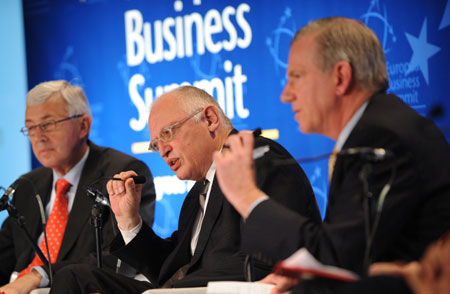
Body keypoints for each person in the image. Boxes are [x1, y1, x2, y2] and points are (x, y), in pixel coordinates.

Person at [213, 16, 450, 292]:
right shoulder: (376, 126)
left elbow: (342, 256)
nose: (286, 95)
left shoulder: (383, 136)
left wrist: (246, 196)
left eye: (296, 77)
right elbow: (356, 251)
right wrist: (309, 272)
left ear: (340, 77)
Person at [47, 85, 321, 293]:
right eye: (155, 144)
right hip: (186, 291)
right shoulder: (196, 196)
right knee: (73, 278)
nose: (162, 150)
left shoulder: (259, 159)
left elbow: (265, 261)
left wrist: (173, 289)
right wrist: (129, 222)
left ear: (210, 119)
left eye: (168, 133)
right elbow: (170, 268)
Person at [0, 80, 156, 294]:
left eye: (48, 123)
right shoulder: (28, 184)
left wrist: (40, 275)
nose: (39, 137)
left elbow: (120, 258)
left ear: (83, 125)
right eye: (31, 127)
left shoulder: (120, 173)